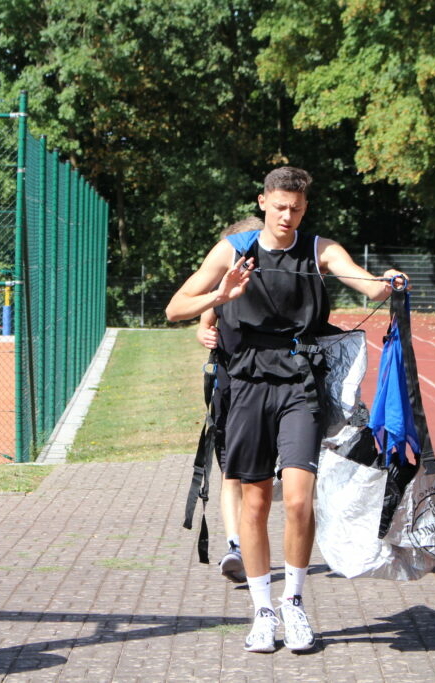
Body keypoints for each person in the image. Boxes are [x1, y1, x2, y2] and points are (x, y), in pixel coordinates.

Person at [166, 167, 405, 654]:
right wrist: (221, 296)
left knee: (298, 499)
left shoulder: (320, 249)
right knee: (254, 503)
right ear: (263, 202)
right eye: (279, 207)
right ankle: (263, 612)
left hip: (300, 383)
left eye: (295, 208)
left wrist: (389, 282)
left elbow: (369, 286)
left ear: (304, 208)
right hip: (247, 384)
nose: (286, 216)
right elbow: (175, 308)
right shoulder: (233, 250)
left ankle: (293, 603)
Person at [195, 216, 264, 585]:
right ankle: (236, 546)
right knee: (231, 470)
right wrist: (203, 333)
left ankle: (255, 543)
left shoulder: (276, 280)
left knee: (265, 477)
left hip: (272, 386)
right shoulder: (223, 283)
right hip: (229, 382)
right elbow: (204, 320)